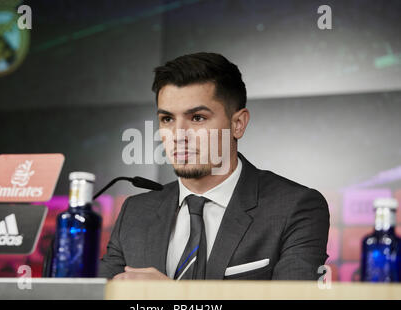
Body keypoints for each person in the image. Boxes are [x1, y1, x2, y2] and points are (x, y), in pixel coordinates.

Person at [98, 52, 330, 280]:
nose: (178, 135)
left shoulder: (295, 208)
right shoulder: (135, 212)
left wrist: (172, 299)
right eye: (167, 119)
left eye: (197, 118)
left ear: (238, 124)